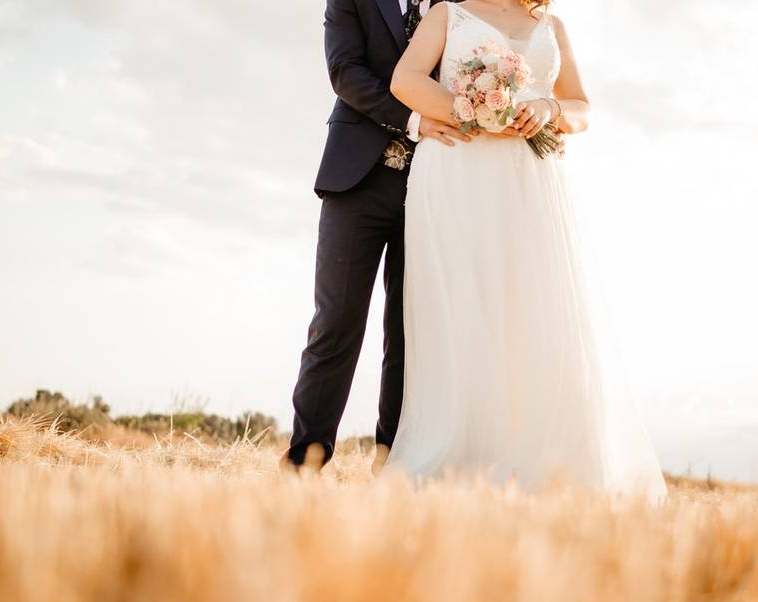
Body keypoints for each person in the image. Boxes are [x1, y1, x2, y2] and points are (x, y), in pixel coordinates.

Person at [386, 0, 667, 499]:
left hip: (532, 181)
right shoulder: (448, 14)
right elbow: (406, 81)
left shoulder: (552, 26)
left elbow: (582, 107)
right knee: (466, 308)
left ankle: (546, 458)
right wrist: (473, 110)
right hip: (459, 172)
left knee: (539, 311)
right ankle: (463, 457)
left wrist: (549, 109)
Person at [282, 0, 470, 473]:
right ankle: (306, 457)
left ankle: (393, 463)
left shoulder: (462, 7)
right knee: (336, 322)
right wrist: (413, 121)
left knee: (410, 332)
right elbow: (345, 72)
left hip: (432, 184)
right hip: (356, 182)